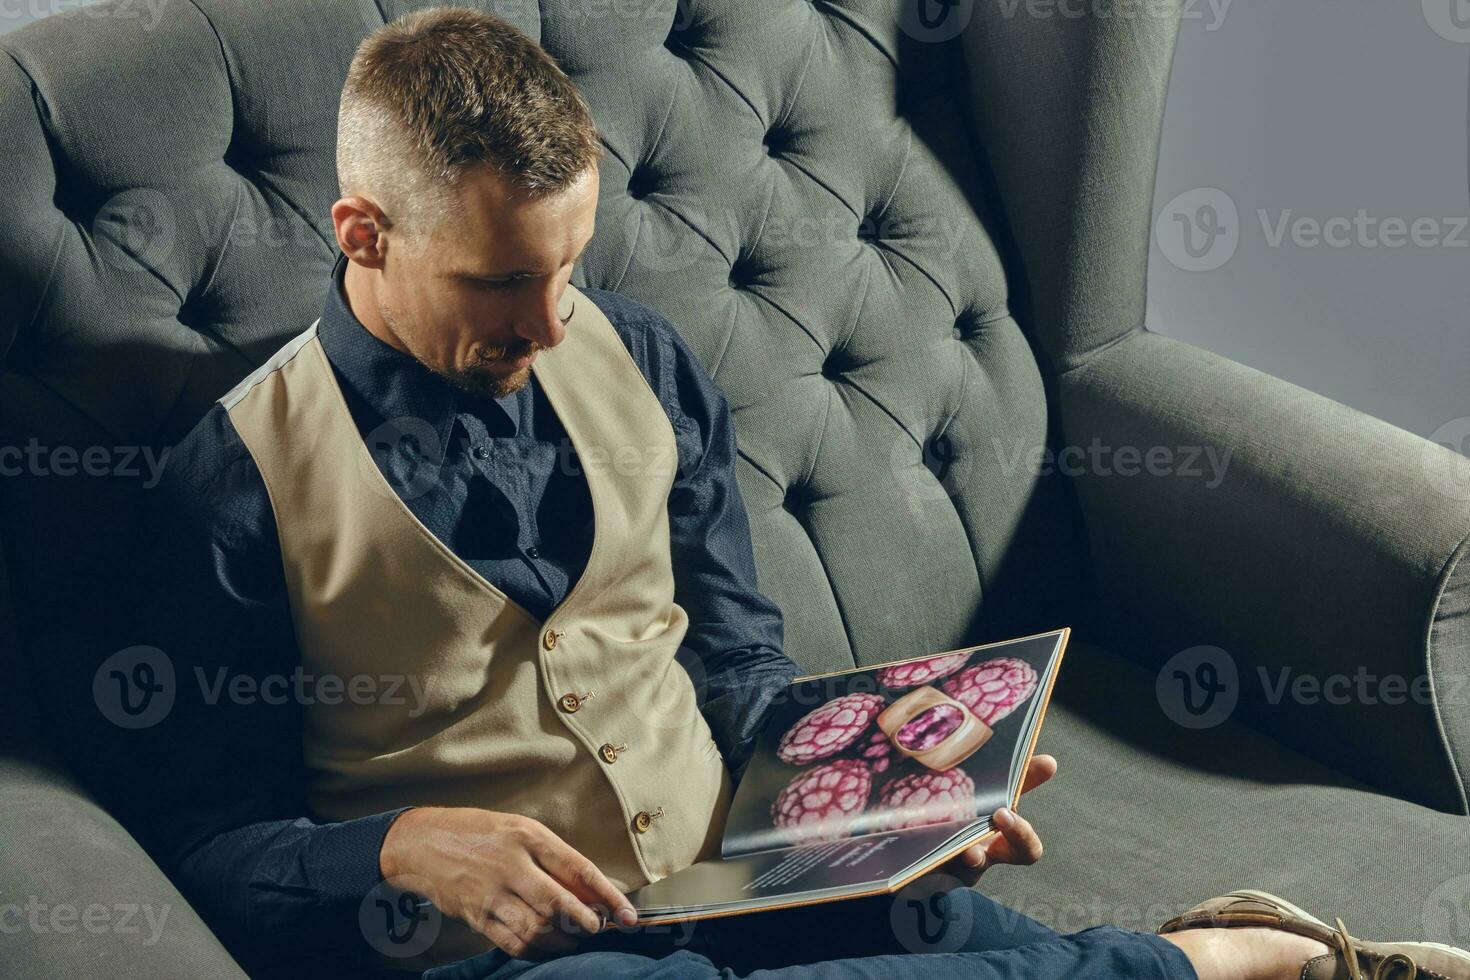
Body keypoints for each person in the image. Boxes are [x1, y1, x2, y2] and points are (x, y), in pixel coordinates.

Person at [123, 7, 1470, 980]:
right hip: (501, 959)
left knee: (942, 919)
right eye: (493, 282)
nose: (546, 321)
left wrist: (880, 801)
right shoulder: (229, 484)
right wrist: (395, 849)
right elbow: (202, 837)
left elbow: (738, 661)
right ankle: (1213, 964)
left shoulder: (642, 358)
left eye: (570, 266)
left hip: (733, 874)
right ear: (363, 233)